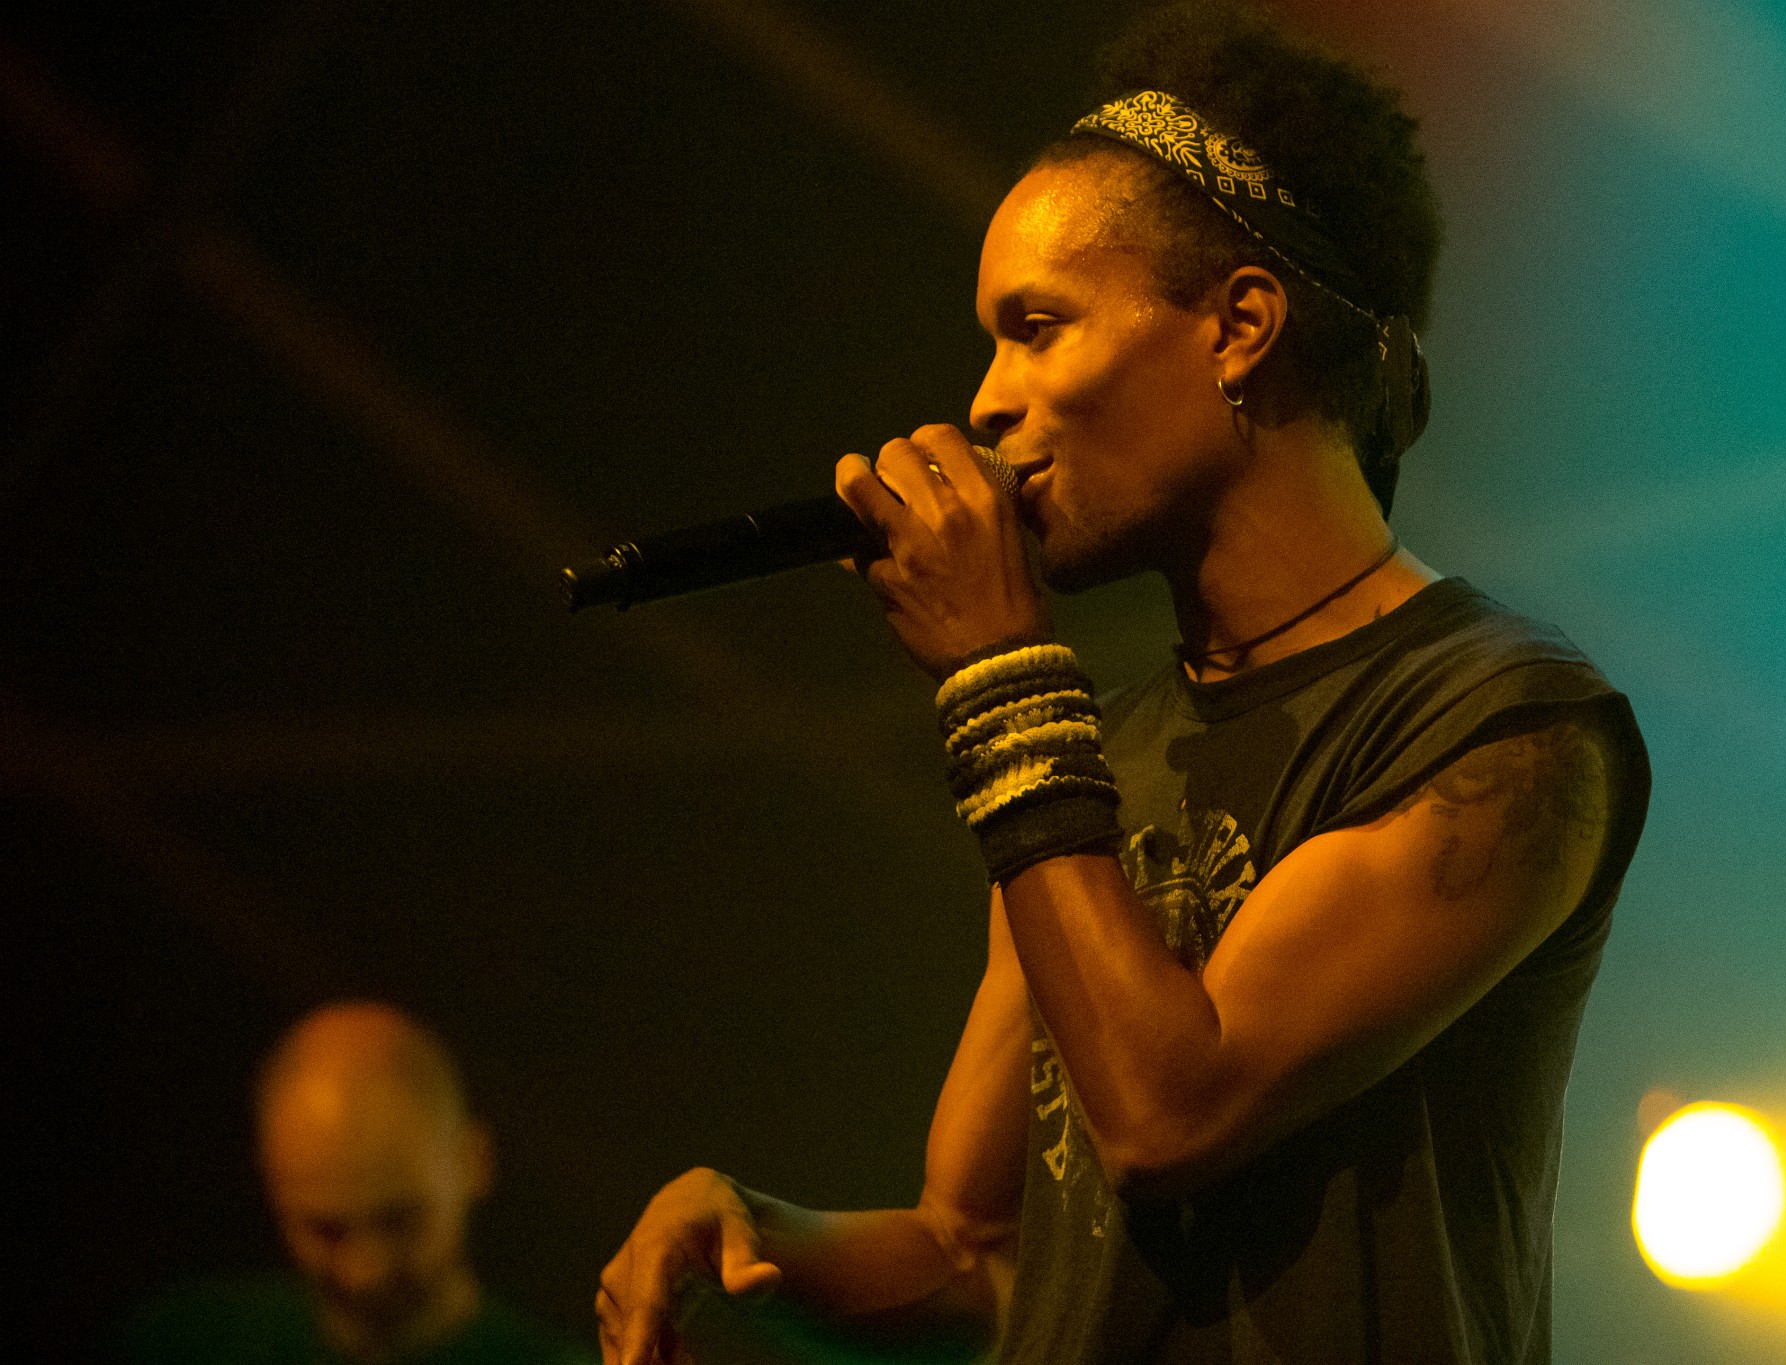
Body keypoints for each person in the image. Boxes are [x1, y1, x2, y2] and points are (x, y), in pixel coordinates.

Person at [598, 3, 1650, 1362]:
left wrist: (999, 680)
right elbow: (977, 1250)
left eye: (1037, 327)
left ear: (1239, 326)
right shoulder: (1096, 752)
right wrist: (758, 1228)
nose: (986, 400)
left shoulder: (1507, 729)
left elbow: (1170, 1115)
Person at [122, 1001, 591, 1365]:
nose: (364, 1271)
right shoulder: (180, 1344)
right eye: (325, 1230)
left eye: (400, 1221)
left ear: (474, 1162)